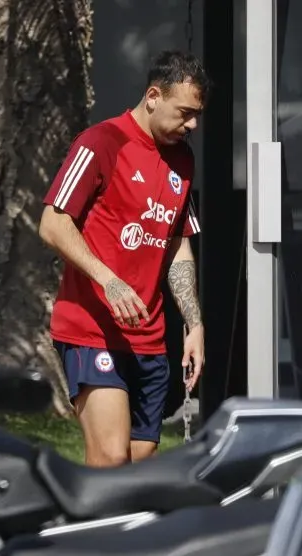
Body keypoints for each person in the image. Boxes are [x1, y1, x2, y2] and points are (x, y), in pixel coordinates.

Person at [38, 50, 208, 468]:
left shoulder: (182, 160)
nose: (192, 125)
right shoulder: (100, 143)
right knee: (111, 457)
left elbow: (177, 243)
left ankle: (100, 531)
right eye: (185, 113)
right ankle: (88, 536)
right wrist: (108, 280)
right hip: (92, 332)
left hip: (149, 337)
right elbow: (52, 224)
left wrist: (194, 322)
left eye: (197, 115)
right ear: (153, 95)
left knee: (137, 464)